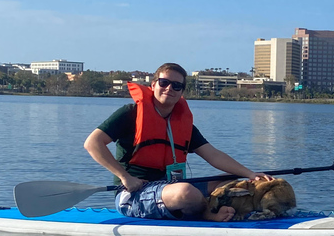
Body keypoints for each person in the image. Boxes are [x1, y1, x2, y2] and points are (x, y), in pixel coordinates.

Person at [84, 62, 270, 222]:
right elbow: (92, 143)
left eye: (176, 86)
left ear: (182, 91)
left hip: (170, 187)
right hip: (133, 193)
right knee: (186, 193)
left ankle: (208, 207)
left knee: (230, 182)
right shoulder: (129, 113)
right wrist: (125, 177)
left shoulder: (183, 123)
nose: (169, 89)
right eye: (164, 83)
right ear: (154, 84)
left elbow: (213, 155)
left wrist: (250, 173)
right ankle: (207, 213)